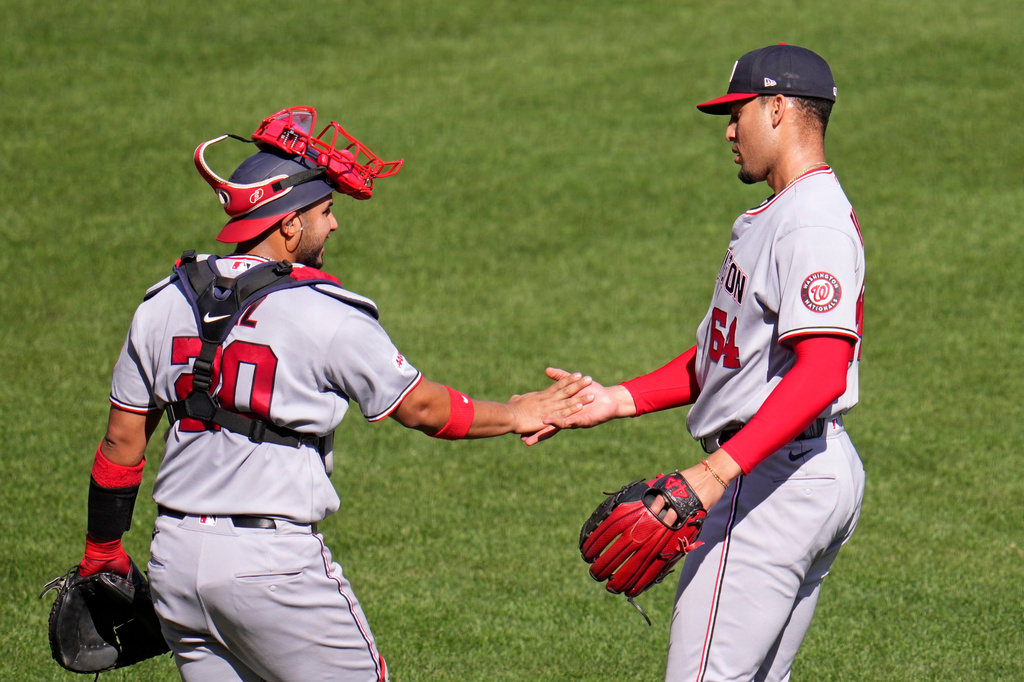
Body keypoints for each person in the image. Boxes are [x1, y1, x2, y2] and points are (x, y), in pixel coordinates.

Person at [75, 107, 592, 682]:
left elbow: (122, 444)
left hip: (174, 561)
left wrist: (102, 552)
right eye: (326, 212)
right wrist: (517, 413)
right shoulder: (322, 313)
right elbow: (422, 408)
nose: (335, 226)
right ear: (289, 224)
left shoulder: (161, 303)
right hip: (271, 567)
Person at [530, 45, 866, 681]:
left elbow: (822, 370)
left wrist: (715, 473)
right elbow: (732, 351)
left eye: (738, 113)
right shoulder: (789, 213)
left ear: (778, 108)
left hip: (771, 479)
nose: (729, 130)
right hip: (800, 466)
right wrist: (618, 399)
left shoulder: (809, 223)